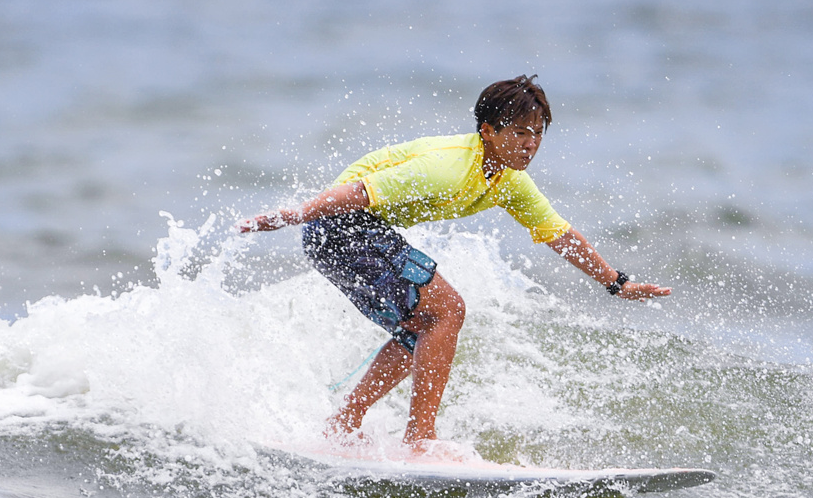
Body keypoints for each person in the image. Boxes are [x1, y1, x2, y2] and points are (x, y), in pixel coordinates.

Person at [238, 75, 671, 453]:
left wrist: (616, 283)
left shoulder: (509, 180)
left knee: (421, 329)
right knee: (447, 310)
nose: (530, 144)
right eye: (520, 132)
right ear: (488, 131)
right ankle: (420, 440)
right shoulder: (448, 165)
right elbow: (360, 193)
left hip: (342, 235)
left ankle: (343, 425)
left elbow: (558, 234)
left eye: (538, 134)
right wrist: (293, 215)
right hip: (340, 225)